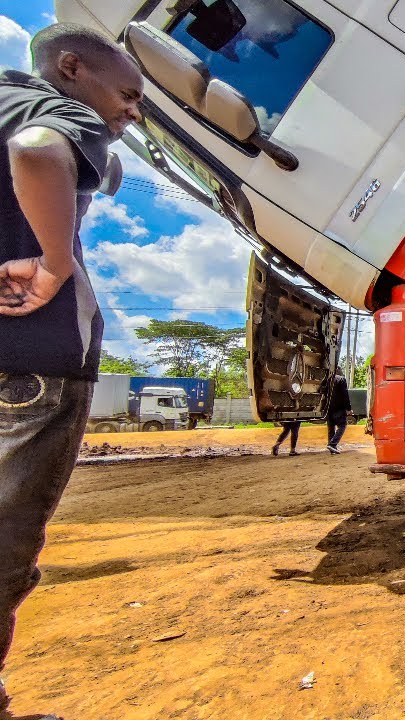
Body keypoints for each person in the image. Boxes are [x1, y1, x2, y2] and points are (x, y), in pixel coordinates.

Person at [0, 23, 143, 712]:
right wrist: (55, 262)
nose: (132, 112)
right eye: (128, 95)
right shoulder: (62, 113)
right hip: (34, 368)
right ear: (71, 67)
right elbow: (37, 150)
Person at [326, 371, 350, 454]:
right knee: (342, 425)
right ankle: (333, 444)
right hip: (339, 408)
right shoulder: (341, 379)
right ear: (339, 371)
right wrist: (348, 408)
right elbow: (345, 394)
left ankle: (332, 447)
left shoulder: (327, 379)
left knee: (331, 427)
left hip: (328, 408)